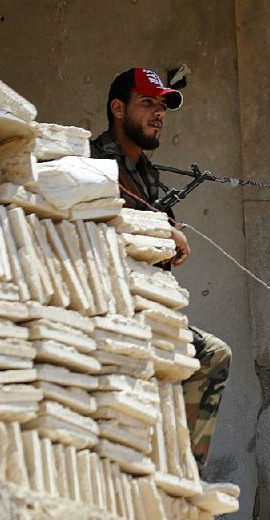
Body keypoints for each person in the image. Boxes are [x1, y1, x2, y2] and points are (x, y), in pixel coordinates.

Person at [90, 67, 230, 467]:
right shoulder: (92, 162)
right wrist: (161, 234)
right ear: (118, 108)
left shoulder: (147, 174)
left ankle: (183, 472)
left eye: (163, 106)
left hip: (148, 307)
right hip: (107, 303)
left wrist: (167, 240)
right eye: (147, 103)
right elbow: (95, 228)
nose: (158, 114)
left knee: (212, 355)